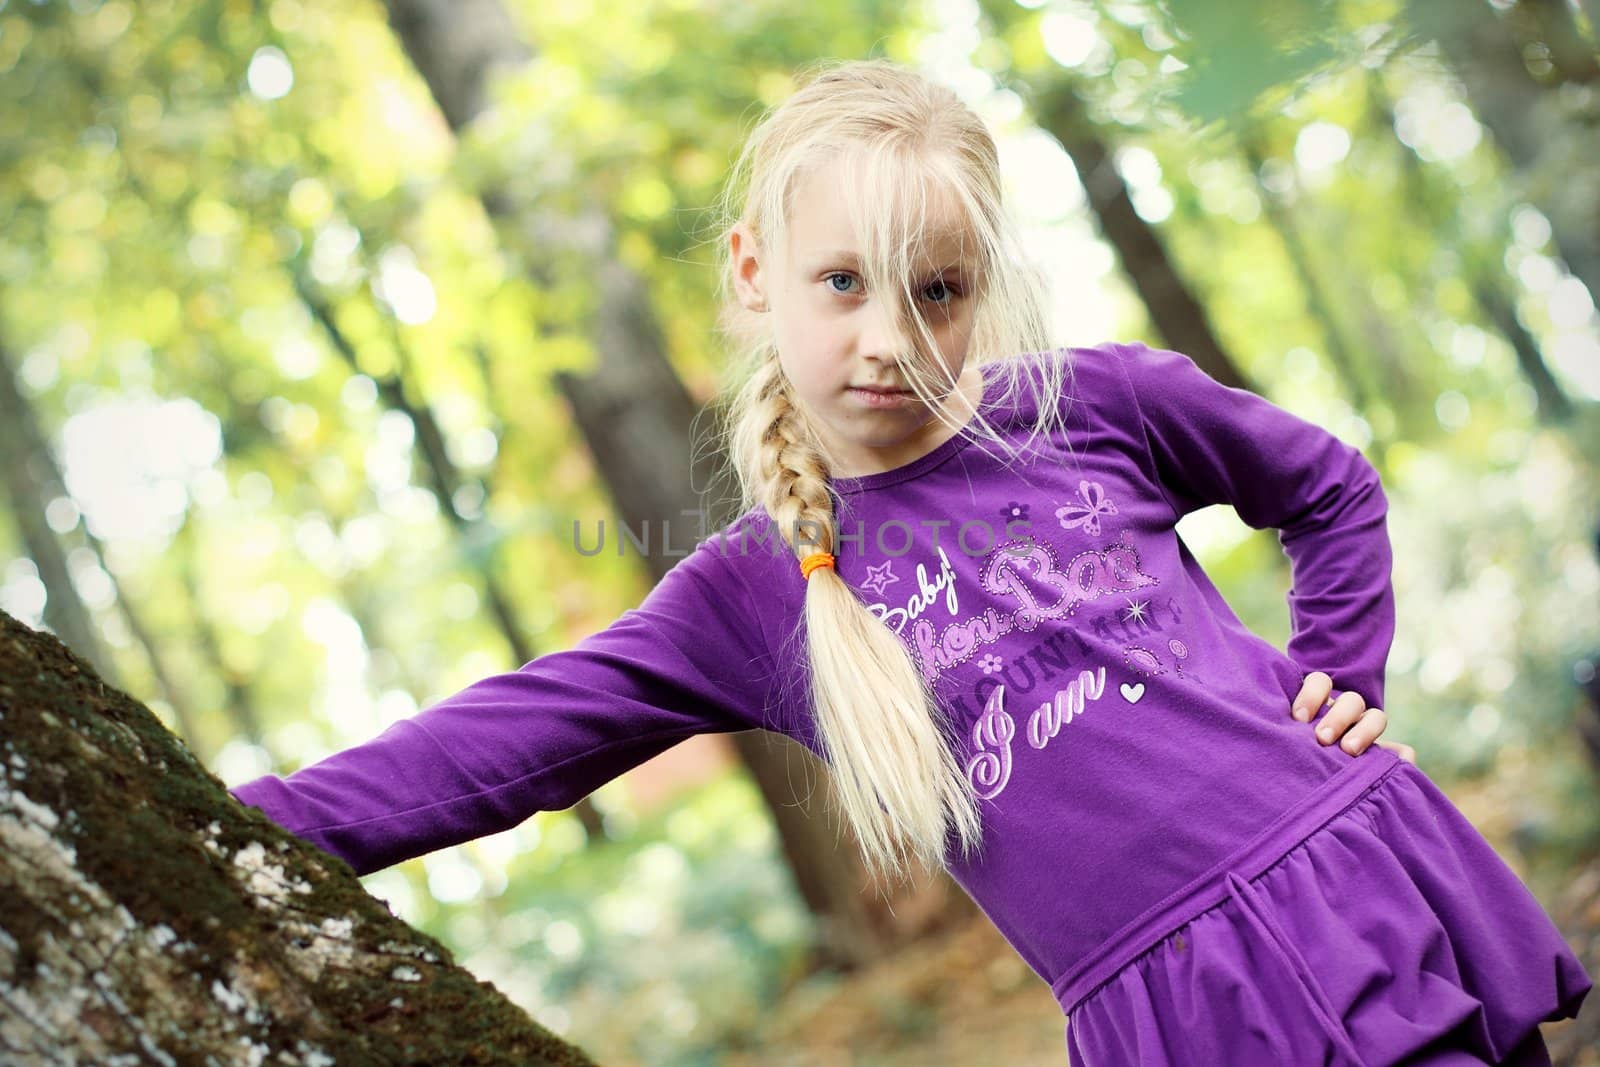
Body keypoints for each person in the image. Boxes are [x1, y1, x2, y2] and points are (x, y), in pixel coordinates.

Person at [229, 58, 1592, 1065]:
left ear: (978, 286)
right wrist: (258, 820)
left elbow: (1329, 487)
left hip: (1351, 880)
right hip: (1180, 1011)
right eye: (844, 284)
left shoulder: (1090, 406)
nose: (889, 336)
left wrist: (1340, 670)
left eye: (934, 290)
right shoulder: (746, 597)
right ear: (758, 271)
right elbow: (501, 745)